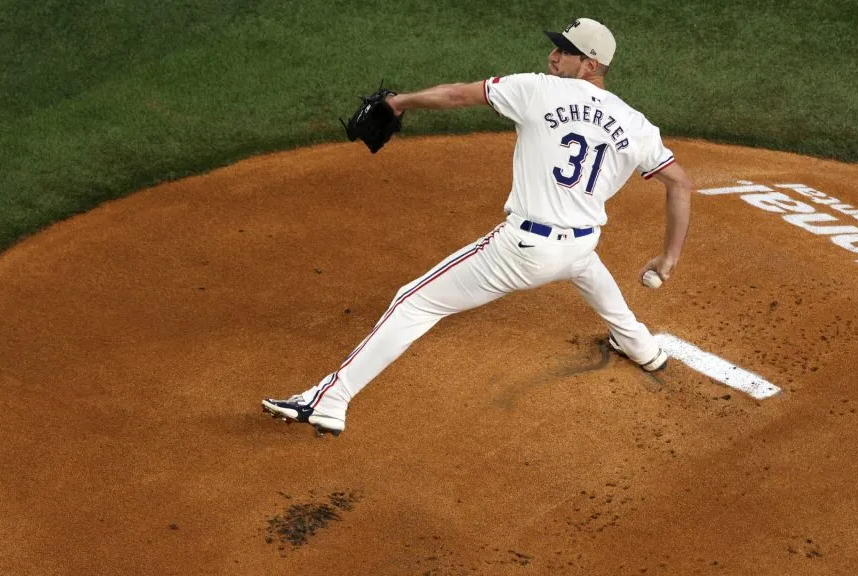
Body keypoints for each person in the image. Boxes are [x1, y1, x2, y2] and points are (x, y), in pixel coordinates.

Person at [262, 17, 694, 436]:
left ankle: (329, 401)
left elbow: (454, 96)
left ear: (591, 65)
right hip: (580, 245)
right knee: (584, 266)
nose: (552, 56)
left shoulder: (537, 90)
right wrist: (669, 257)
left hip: (525, 250)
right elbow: (680, 184)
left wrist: (397, 103)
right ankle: (642, 347)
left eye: (565, 51)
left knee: (413, 301)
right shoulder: (636, 124)